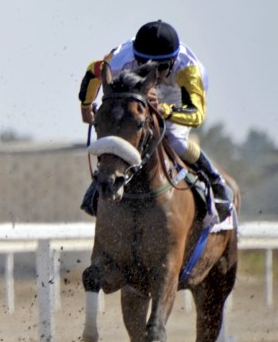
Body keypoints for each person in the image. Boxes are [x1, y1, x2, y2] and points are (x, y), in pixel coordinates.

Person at [78, 19, 234, 218]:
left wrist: (164, 110)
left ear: (172, 61)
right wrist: (86, 107)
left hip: (174, 92)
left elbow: (196, 114)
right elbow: (93, 72)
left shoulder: (188, 70)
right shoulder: (119, 61)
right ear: (137, 58)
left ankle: (215, 180)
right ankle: (102, 180)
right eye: (145, 65)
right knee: (121, 126)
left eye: (160, 67)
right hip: (135, 85)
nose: (154, 73)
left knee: (174, 139)